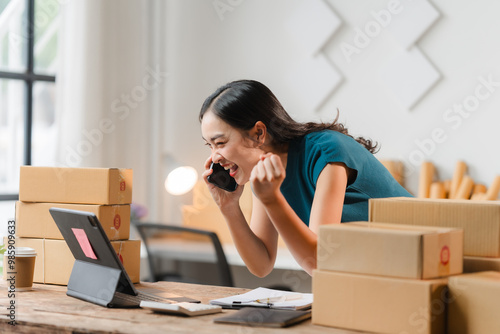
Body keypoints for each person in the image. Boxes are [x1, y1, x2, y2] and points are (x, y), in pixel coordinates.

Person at [199, 79, 412, 277]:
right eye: (210, 145)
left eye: (220, 143)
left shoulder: (326, 152)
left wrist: (271, 198)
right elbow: (262, 264)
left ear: (258, 133)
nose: (214, 158)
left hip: (413, 257)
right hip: (374, 270)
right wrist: (229, 207)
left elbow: (319, 262)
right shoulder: (263, 174)